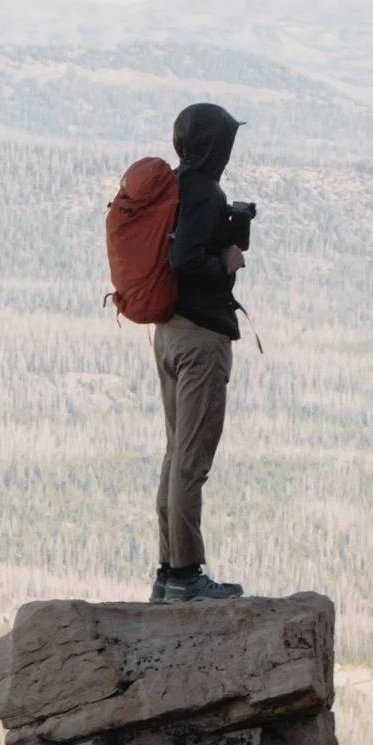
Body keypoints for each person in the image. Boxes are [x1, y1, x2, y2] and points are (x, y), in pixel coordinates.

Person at [151, 100, 247, 604]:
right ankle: (187, 576)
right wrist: (226, 262)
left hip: (168, 333)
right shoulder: (205, 191)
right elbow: (187, 259)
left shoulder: (171, 186)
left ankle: (169, 571)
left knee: (175, 455)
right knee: (191, 461)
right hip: (199, 341)